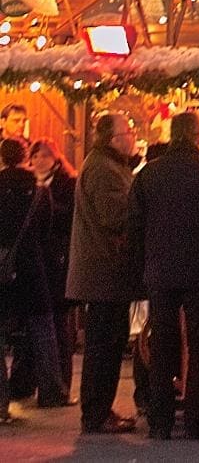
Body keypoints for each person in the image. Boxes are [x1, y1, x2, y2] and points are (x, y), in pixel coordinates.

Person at [129, 111, 199, 441]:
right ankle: (196, 419)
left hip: (160, 272)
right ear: (198, 136)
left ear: (171, 134)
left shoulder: (149, 174)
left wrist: (141, 266)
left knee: (162, 345)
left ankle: (160, 420)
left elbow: (134, 223)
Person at [67, 114, 138, 435]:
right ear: (113, 139)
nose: (132, 136)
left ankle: (100, 410)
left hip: (106, 270)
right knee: (103, 345)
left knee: (108, 342)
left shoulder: (108, 165)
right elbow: (115, 215)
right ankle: (96, 413)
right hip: (104, 270)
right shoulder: (103, 169)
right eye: (128, 132)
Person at [0, 137, 62, 417]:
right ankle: (51, 391)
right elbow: (46, 230)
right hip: (32, 266)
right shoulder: (38, 191)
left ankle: (1, 401)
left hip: (2, 269)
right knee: (43, 329)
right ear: (25, 156)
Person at [26, 140, 75, 401]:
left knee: (58, 322)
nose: (40, 160)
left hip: (57, 260)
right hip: (34, 261)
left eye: (45, 155)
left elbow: (68, 217)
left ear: (56, 159)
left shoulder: (66, 183)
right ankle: (29, 381)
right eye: (36, 155)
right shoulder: (26, 184)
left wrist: (47, 204)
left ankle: (60, 383)